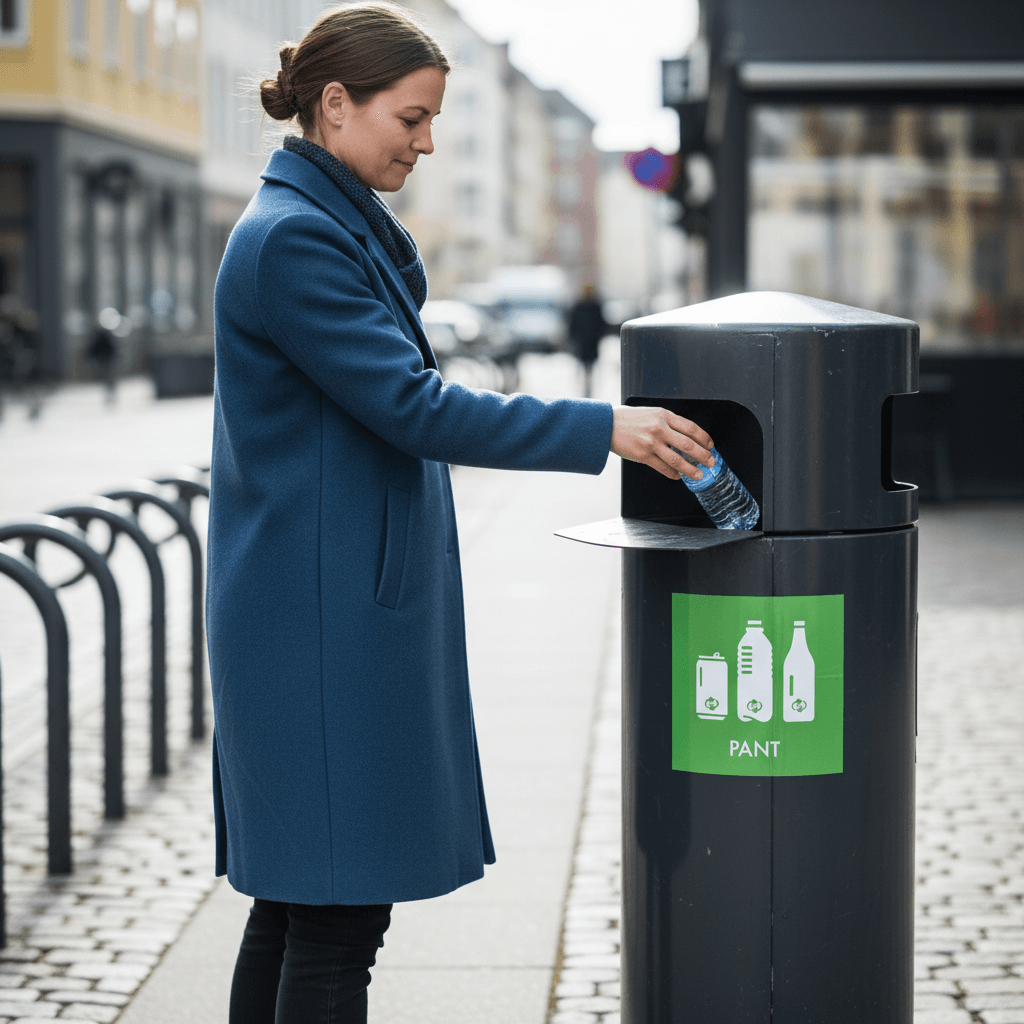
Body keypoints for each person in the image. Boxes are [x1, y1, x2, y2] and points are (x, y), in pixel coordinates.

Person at [206, 5, 715, 1022]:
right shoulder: (296, 241)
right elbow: (412, 405)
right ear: (335, 104)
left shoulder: (321, 222)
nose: (426, 143)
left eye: (434, 119)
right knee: (335, 915)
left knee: (304, 901)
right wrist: (599, 429)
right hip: (319, 619)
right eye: (412, 117)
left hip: (325, 600)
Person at [568, 284, 610, 397]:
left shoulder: (594, 306)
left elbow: (601, 324)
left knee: (588, 367)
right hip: (583, 342)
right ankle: (584, 387)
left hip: (591, 342)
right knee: (582, 366)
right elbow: (573, 324)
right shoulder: (580, 307)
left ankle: (587, 386)